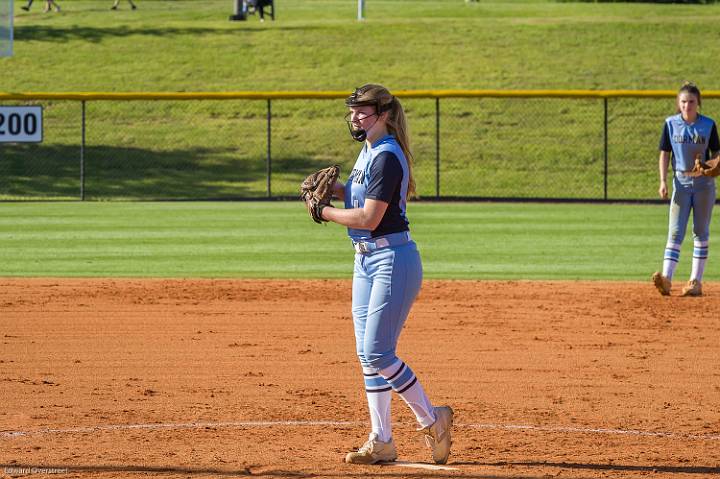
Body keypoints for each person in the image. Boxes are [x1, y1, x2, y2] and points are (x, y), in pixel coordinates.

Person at [317, 84, 454, 465]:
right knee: (367, 355)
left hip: (392, 259)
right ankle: (382, 440)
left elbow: (369, 218)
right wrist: (339, 188)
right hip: (365, 261)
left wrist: (323, 212)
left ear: (385, 114)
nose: (355, 117)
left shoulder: (388, 155)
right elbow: (362, 199)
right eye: (352, 111)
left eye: (363, 111)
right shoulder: (369, 151)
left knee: (378, 352)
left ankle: (432, 418)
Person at [652, 81, 719, 297]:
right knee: (675, 232)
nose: (687, 105)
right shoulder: (671, 124)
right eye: (683, 102)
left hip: (703, 185)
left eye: (691, 101)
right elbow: (664, 153)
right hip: (680, 183)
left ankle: (695, 282)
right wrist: (662, 181)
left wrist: (711, 165)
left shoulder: (708, 125)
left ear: (698, 103)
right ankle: (666, 279)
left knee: (700, 232)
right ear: (678, 103)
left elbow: (718, 154)